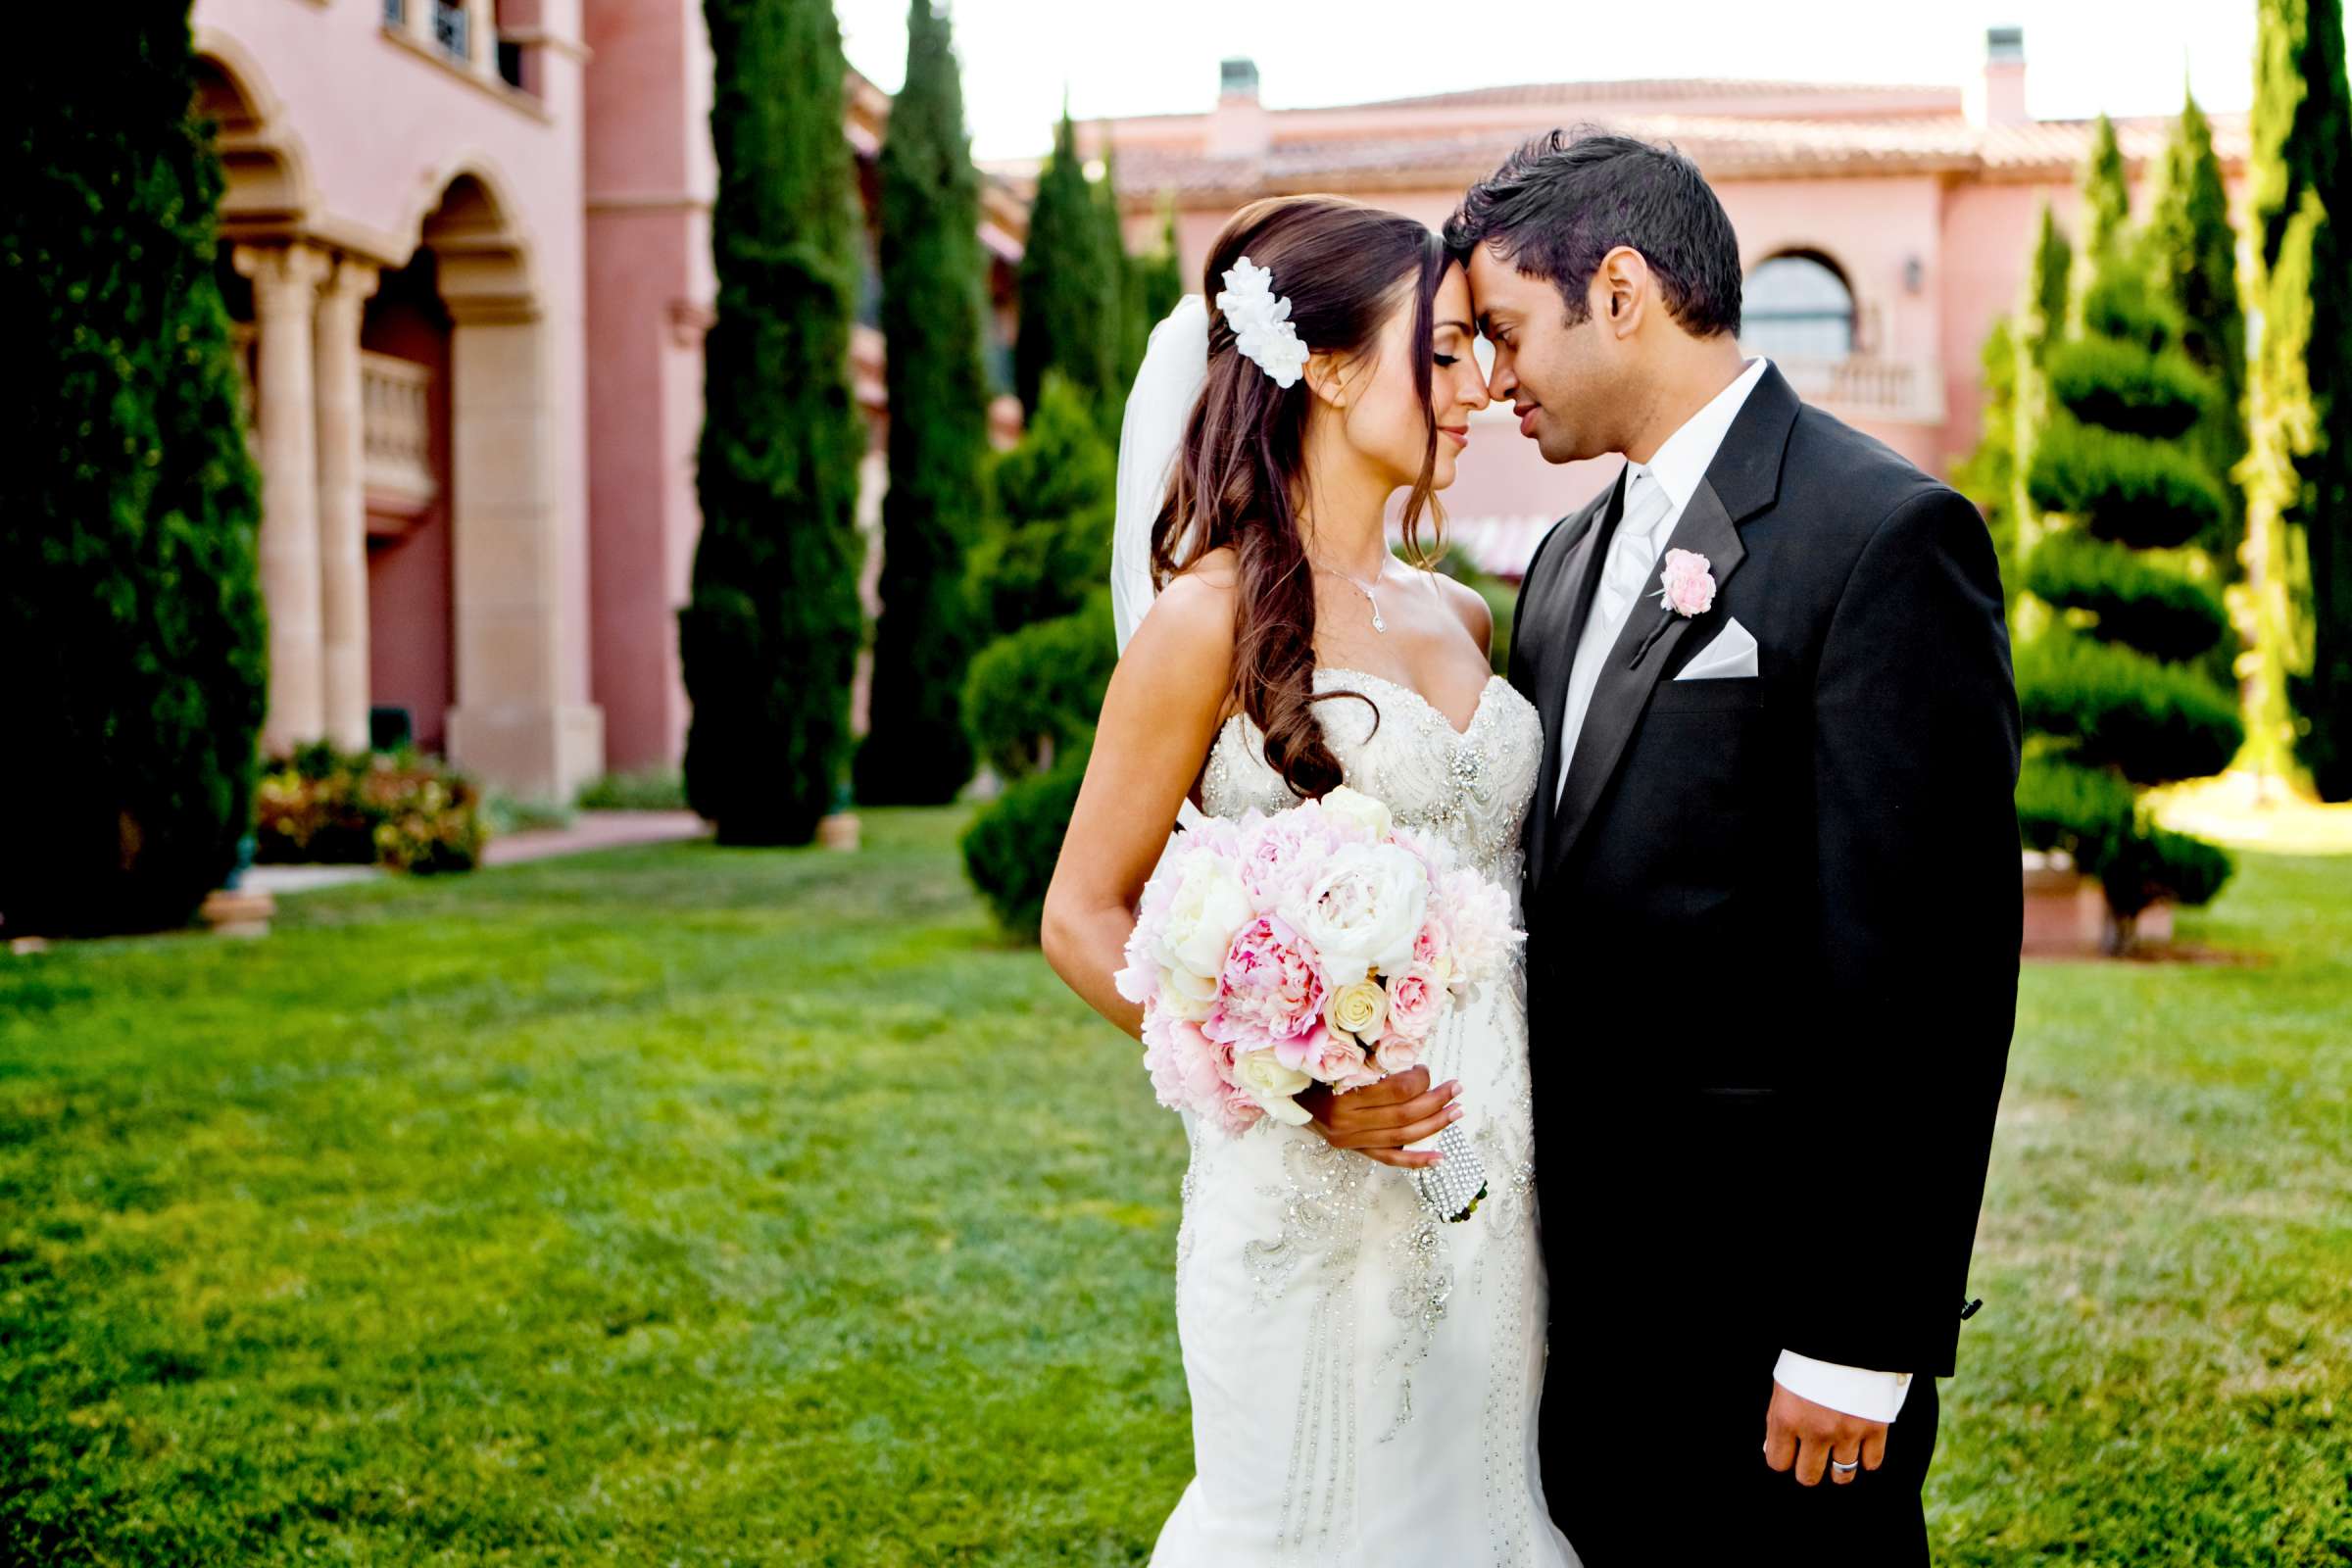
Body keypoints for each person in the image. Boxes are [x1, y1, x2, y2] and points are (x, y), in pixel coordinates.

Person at [1319, 128, 2024, 1564]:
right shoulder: (1567, 567)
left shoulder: (1883, 536)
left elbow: (1931, 973)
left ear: (1623, 292)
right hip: (1577, 1318)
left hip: (1776, 1336)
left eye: (1509, 331)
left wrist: (1855, 1334)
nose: (1492, 378)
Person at [1041, 193, 1580, 1565]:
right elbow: (1081, 911)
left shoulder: (1458, 611)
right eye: (1443, 351)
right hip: (1309, 1204)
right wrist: (1294, 1081)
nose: (1477, 387)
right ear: (1332, 368)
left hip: (1493, 1178)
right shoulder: (1203, 618)